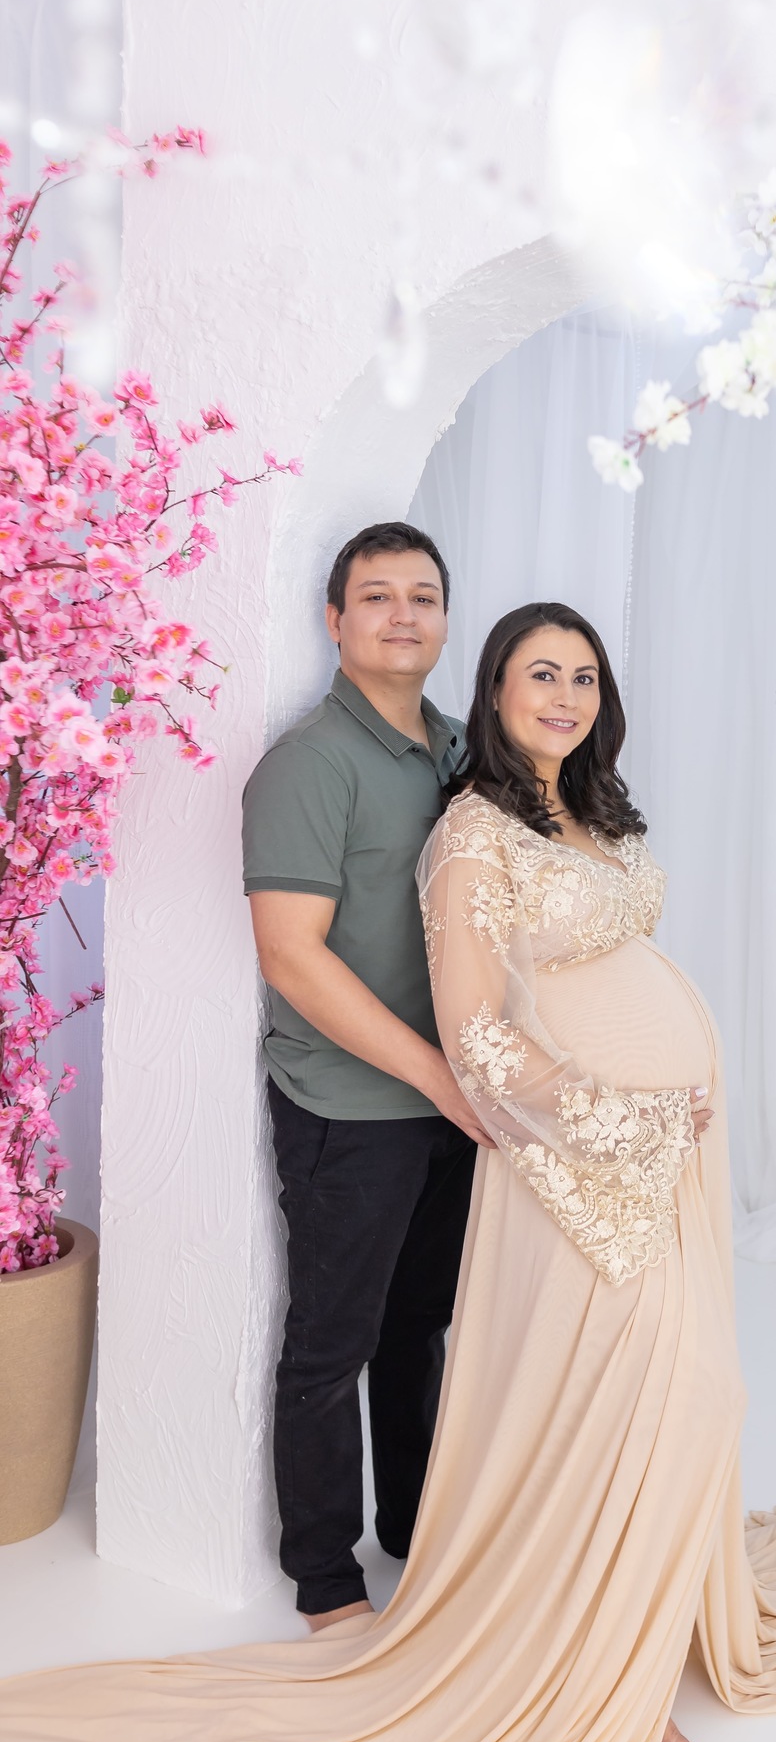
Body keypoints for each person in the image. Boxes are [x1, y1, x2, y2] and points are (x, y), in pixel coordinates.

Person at [0, 602, 776, 1742]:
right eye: (541, 673)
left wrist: (678, 1085)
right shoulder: (472, 832)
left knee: (668, 1399)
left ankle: (630, 1624)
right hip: (581, 1153)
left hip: (665, 1152)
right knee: (647, 1394)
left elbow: (617, 959)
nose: (565, 694)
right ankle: (588, 1678)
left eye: (583, 675)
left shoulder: (593, 810)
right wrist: (623, 1113)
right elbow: (474, 1034)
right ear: (496, 689)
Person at [241, 519, 485, 1630]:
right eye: (376, 596)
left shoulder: (454, 752)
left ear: (444, 620)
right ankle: (328, 1581)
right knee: (331, 1343)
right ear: (334, 622)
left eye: (421, 596)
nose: (401, 614)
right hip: (352, 1104)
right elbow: (293, 957)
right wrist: (441, 1079)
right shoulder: (310, 763)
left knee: (419, 1325)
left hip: (449, 1101)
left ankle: (412, 1530)